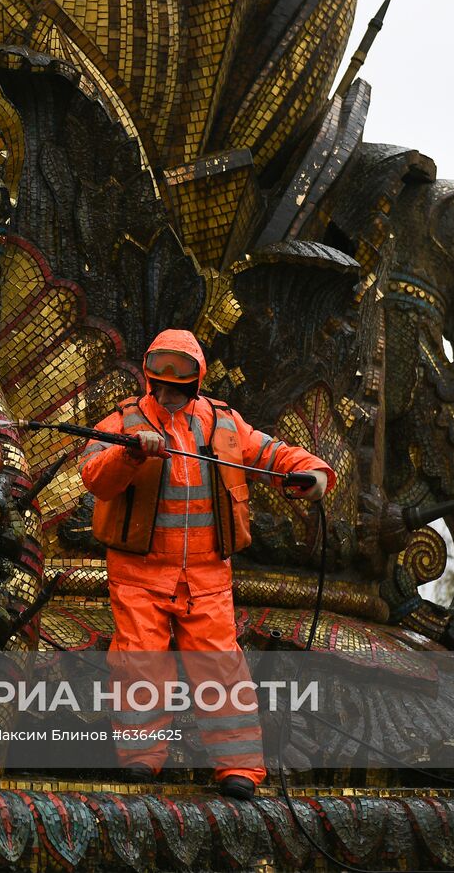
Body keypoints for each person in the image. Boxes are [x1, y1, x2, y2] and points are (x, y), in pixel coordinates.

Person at [78, 329, 333, 799]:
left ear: (197, 378)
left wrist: (313, 471)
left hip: (207, 575)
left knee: (220, 668)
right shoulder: (123, 420)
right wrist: (130, 452)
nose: (170, 388)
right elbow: (94, 474)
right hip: (139, 573)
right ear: (150, 375)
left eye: (181, 378)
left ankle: (239, 768)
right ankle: (140, 758)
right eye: (162, 378)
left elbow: (273, 453)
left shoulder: (224, 423)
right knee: (140, 663)